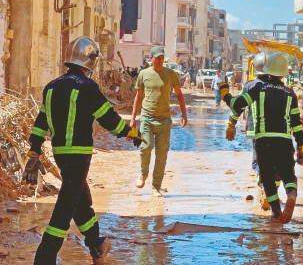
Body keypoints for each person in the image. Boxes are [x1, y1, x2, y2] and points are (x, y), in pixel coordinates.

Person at [25, 37, 142, 264]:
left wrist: (34, 151)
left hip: (60, 155)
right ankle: (44, 256)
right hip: (79, 156)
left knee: (81, 199)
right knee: (66, 205)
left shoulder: (51, 87)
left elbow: (40, 124)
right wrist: (131, 133)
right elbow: (110, 119)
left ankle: (96, 244)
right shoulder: (88, 88)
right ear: (90, 61)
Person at [220, 53, 303, 223]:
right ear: (283, 73)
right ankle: (292, 195)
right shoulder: (290, 93)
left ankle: (276, 212)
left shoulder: (256, 88)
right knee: (288, 175)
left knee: (266, 177)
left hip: (263, 140)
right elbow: (296, 123)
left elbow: (237, 105)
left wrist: (225, 94)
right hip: (284, 140)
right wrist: (301, 146)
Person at [224, 53, 281, 211]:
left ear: (255, 68)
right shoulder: (279, 86)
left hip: (256, 132)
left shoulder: (251, 86)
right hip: (277, 132)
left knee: (260, 161)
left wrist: (231, 123)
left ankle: (263, 187)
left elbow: (238, 106)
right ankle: (272, 190)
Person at [130, 46, 188, 197]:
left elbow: (180, 95)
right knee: (145, 147)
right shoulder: (143, 74)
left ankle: (156, 186)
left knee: (161, 154)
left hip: (164, 120)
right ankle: (143, 174)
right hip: (147, 118)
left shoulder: (170, 74)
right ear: (151, 58)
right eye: (157, 58)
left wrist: (184, 114)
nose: (160, 60)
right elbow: (139, 97)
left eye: (162, 57)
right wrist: (133, 118)